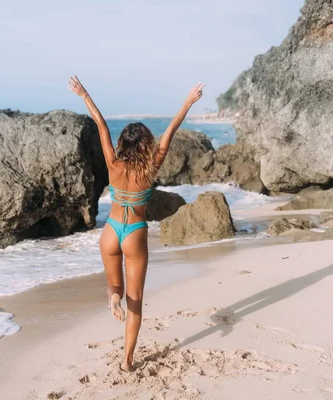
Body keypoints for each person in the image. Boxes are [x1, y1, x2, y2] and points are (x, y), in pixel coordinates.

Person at [68, 76, 205, 372]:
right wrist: (188, 102)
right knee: (136, 301)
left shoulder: (113, 164)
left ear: (123, 144)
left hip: (110, 232)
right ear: (145, 144)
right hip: (134, 234)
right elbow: (171, 130)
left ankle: (112, 299)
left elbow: (102, 127)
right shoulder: (151, 165)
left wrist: (85, 95)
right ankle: (127, 360)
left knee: (114, 286)